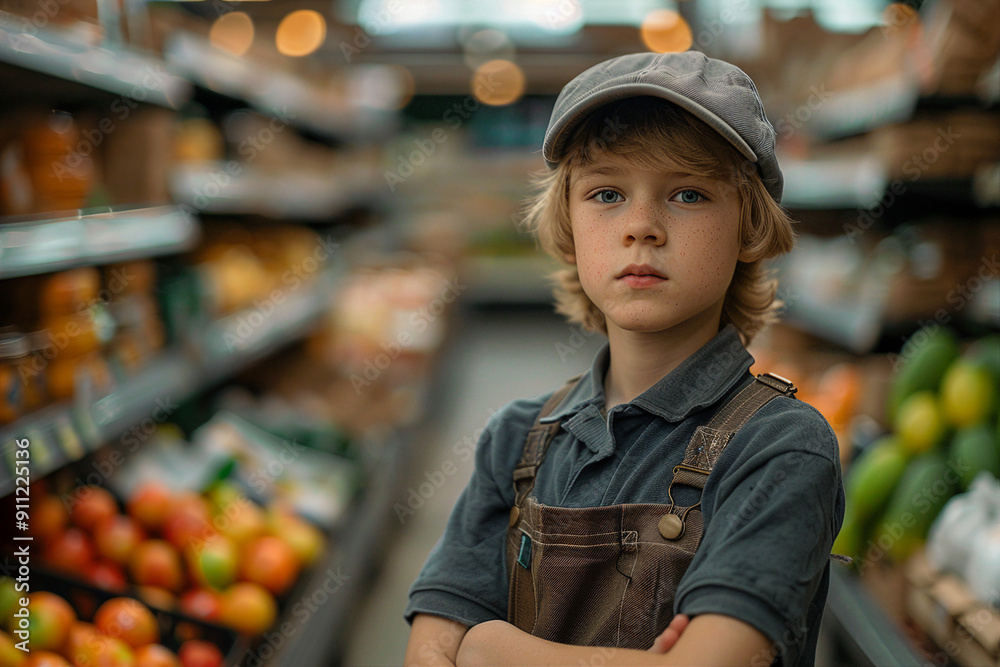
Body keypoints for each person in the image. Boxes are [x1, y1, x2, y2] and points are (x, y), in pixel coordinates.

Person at [403, 51, 845, 667]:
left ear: (749, 225)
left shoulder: (780, 448)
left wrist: (491, 645)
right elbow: (431, 644)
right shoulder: (514, 441)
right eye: (607, 193)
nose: (642, 226)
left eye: (688, 194)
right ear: (568, 223)